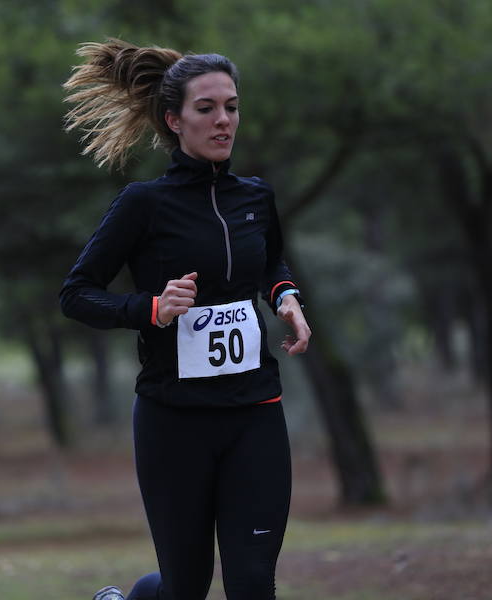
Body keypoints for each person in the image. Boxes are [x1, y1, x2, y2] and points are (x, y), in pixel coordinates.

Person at [60, 38, 311, 600]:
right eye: (207, 109)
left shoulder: (256, 197)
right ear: (174, 120)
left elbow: (269, 260)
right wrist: (151, 308)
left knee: (252, 584)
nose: (224, 121)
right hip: (174, 421)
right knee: (186, 589)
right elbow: (76, 294)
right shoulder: (143, 205)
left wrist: (285, 295)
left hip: (255, 413)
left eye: (232, 106)